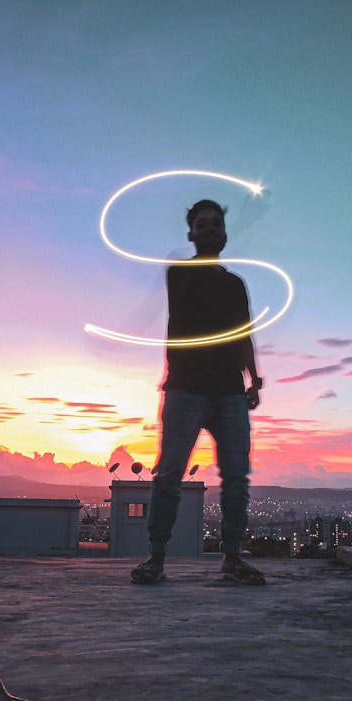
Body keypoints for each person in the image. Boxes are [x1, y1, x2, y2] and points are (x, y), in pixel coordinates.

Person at [130, 199, 266, 585]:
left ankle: (232, 559)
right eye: (202, 224)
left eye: (215, 224)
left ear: (224, 232)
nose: (209, 230)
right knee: (169, 474)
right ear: (191, 234)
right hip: (185, 390)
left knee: (237, 477)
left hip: (228, 392)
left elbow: (243, 335)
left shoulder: (236, 285)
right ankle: (156, 558)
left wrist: (253, 379)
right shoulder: (181, 275)